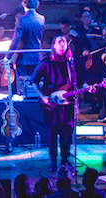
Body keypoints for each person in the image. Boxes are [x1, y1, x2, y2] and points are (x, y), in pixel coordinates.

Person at [31, 34, 78, 171]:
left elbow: (79, 81)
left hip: (67, 103)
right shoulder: (46, 63)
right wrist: (42, 97)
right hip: (52, 103)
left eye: (64, 42)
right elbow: (33, 81)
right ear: (54, 45)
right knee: (52, 132)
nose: (63, 44)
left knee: (67, 133)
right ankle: (53, 160)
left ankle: (64, 160)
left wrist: (89, 87)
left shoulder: (71, 63)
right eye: (59, 42)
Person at [9, 0, 45, 85]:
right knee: (35, 84)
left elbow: (16, 40)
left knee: (23, 85)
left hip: (24, 57)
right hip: (37, 55)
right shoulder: (42, 18)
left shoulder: (21, 19)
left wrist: (8, 56)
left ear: (24, 4)